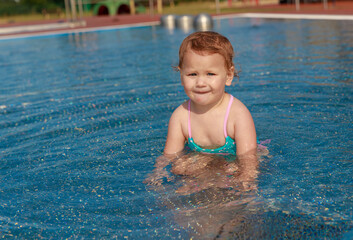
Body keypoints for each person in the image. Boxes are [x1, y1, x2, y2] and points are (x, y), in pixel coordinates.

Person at [145, 31, 260, 191]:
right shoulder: (180, 116)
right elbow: (170, 155)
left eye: (210, 74)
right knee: (180, 168)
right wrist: (157, 173)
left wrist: (246, 181)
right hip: (201, 162)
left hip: (232, 162)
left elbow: (248, 159)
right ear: (181, 75)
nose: (200, 82)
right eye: (192, 74)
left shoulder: (237, 114)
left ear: (228, 75)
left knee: (232, 171)